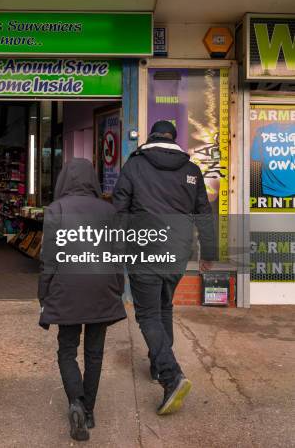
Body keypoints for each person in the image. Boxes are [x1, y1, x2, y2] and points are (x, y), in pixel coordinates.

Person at [113, 120, 216, 415]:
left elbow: (120, 211)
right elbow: (204, 215)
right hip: (177, 252)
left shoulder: (134, 166)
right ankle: (159, 366)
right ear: (174, 138)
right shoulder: (191, 170)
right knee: (164, 307)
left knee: (147, 314)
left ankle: (171, 376)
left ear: (150, 137)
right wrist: (208, 251)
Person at [38, 158, 126, 442]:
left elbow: (49, 259)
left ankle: (75, 401)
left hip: (67, 287)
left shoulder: (56, 210)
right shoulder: (109, 211)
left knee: (67, 350)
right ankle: (88, 411)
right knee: (95, 353)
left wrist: (44, 293)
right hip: (101, 288)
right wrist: (117, 289)